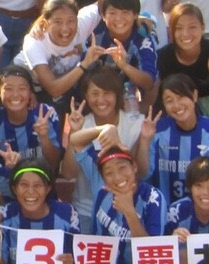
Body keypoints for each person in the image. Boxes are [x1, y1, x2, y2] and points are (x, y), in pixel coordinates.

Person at [61, 66, 151, 230]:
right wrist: (75, 131)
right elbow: (68, 174)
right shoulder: (80, 124)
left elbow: (142, 172)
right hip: (86, 210)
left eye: (107, 93)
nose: (101, 100)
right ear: (86, 96)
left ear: (117, 95)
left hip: (128, 209)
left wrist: (144, 141)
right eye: (95, 94)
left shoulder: (136, 124)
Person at [147, 75, 209, 204]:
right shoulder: (156, 130)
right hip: (162, 208)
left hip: (200, 207)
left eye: (181, 97)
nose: (176, 105)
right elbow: (145, 175)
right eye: (169, 100)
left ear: (194, 96)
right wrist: (145, 140)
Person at [16, 0, 98, 109]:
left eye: (71, 21)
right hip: (32, 85)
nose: (65, 28)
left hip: (65, 82)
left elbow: (105, 0)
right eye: (58, 22)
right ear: (45, 23)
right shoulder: (34, 42)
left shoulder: (83, 22)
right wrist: (84, 64)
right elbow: (54, 89)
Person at [86, 0, 159, 109]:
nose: (119, 19)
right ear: (103, 15)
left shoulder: (143, 38)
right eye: (112, 13)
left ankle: (141, 116)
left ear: (136, 14)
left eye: (125, 12)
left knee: (157, 78)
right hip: (98, 91)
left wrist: (124, 65)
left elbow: (149, 82)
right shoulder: (94, 32)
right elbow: (83, 74)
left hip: (129, 92)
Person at [156, 2, 209, 119]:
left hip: (208, 109)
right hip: (177, 109)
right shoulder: (163, 57)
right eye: (178, 28)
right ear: (171, 31)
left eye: (192, 27)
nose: (185, 34)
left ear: (203, 28)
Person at [0, 66, 62, 170]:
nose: (15, 95)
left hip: (42, 180)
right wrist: (10, 169)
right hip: (10, 182)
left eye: (22, 89)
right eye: (8, 89)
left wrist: (44, 137)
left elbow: (54, 163)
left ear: (30, 92)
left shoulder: (45, 114)